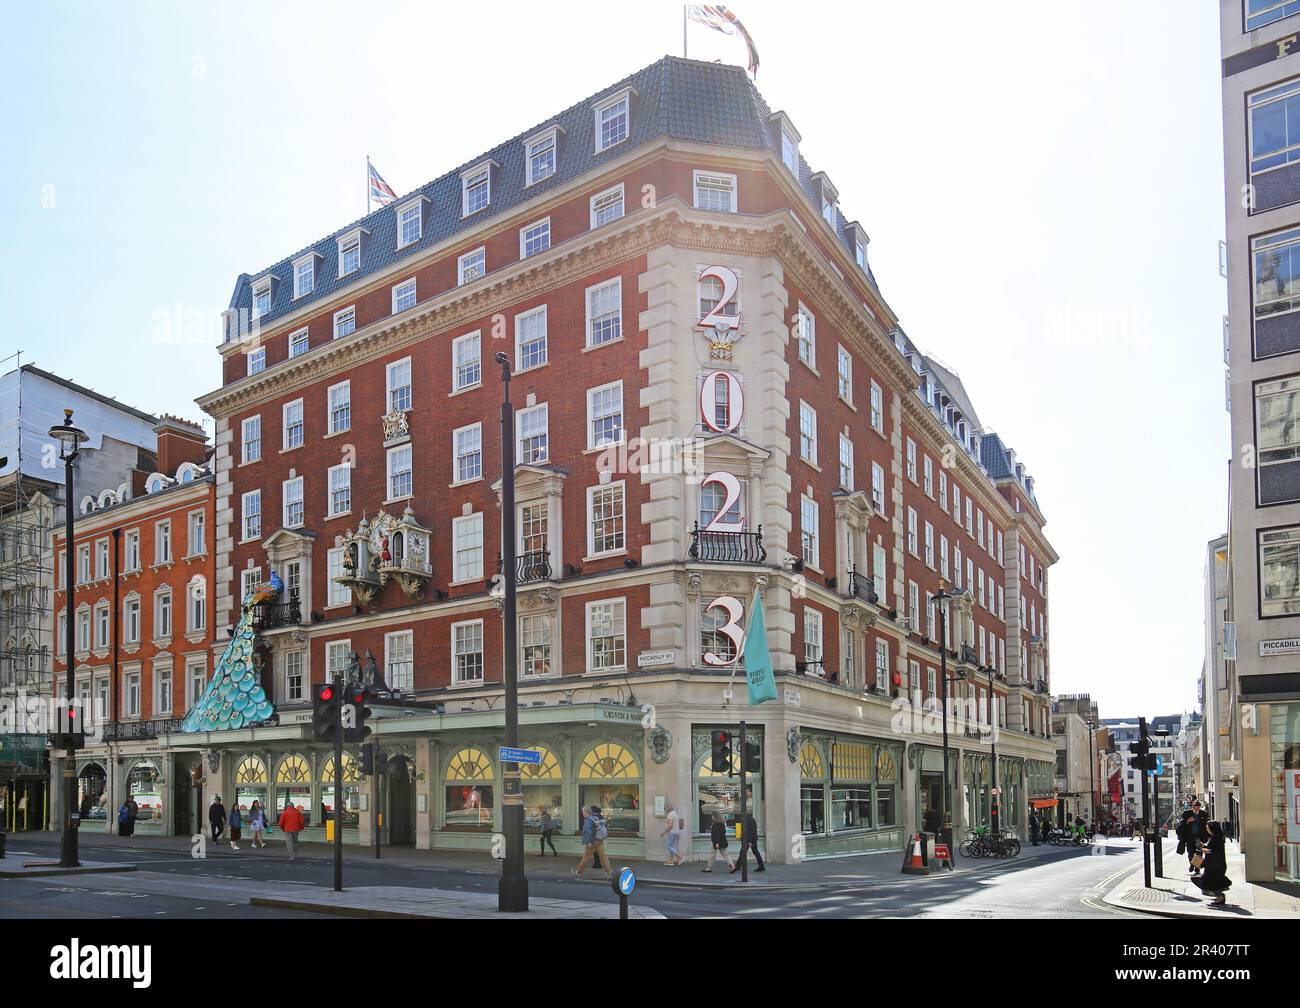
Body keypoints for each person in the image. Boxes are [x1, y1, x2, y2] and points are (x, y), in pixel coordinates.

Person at [1190, 820, 1232, 906]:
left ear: (1212, 828)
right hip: (1213, 864)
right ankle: (1219, 897)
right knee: (1212, 882)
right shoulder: (1215, 837)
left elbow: (1216, 851)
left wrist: (1206, 850)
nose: (1207, 829)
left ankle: (1220, 897)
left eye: (1208, 827)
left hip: (1215, 865)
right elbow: (1213, 849)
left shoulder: (1216, 838)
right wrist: (1204, 847)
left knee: (1211, 882)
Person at [573, 804, 612, 878]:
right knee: (603, 856)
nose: (582, 813)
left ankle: (579, 871)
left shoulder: (588, 820)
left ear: (586, 812)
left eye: (583, 812)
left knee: (586, 856)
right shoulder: (595, 818)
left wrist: (588, 842)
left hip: (592, 841)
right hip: (599, 840)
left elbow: (587, 832)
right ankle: (609, 871)